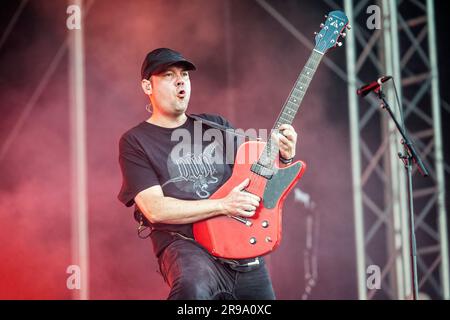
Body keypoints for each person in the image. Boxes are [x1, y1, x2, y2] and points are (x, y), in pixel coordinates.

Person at [117, 48, 298, 300]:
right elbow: (155, 209)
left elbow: (258, 184)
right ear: (147, 86)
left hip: (240, 247)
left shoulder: (216, 125)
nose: (181, 81)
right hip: (186, 246)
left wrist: (285, 156)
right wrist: (223, 205)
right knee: (193, 290)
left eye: (184, 75)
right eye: (169, 75)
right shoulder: (136, 141)